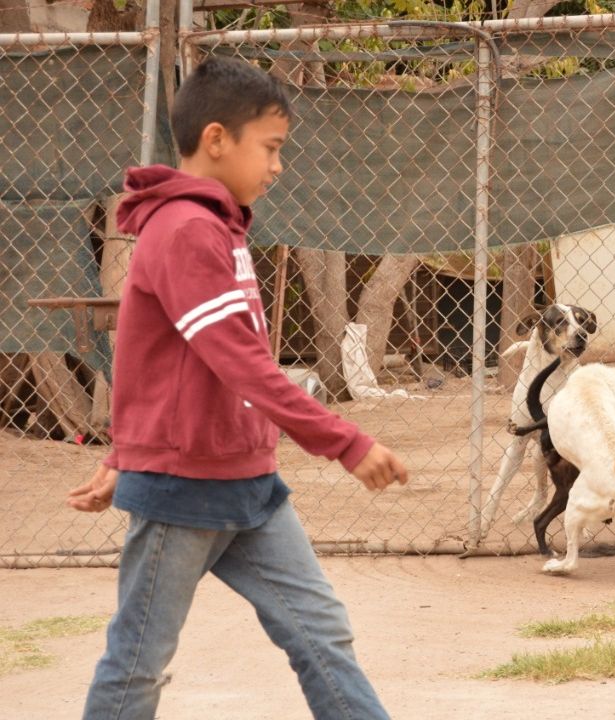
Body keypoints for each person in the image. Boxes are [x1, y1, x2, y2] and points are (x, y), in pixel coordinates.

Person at [66, 55, 408, 720]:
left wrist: (121, 454)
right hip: (182, 493)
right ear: (217, 139)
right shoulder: (186, 230)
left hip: (249, 486)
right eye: (271, 148)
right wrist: (343, 441)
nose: (278, 166)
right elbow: (241, 364)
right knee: (137, 664)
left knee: (321, 635)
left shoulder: (215, 225)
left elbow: (157, 359)